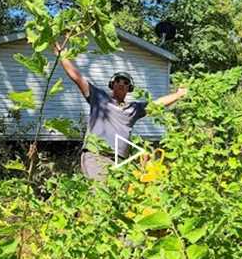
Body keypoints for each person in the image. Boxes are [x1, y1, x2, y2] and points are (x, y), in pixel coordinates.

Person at [54, 43, 187, 181]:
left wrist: (178, 95)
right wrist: (62, 55)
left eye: (125, 82)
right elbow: (77, 77)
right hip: (96, 155)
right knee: (99, 193)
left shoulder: (134, 109)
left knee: (116, 198)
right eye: (118, 81)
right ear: (112, 84)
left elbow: (157, 104)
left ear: (129, 88)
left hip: (121, 161)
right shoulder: (98, 98)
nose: (122, 84)